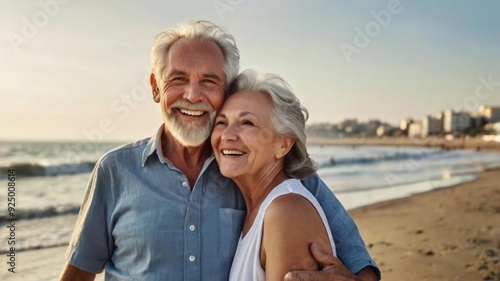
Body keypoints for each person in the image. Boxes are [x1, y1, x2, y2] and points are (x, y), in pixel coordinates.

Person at [59, 20, 380, 281]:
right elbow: (78, 274)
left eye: (209, 82)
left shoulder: (259, 168)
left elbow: (350, 247)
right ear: (156, 88)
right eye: (177, 79)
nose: (193, 95)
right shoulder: (115, 170)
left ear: (227, 90)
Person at [211, 69, 336, 280]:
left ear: (283, 145)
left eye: (247, 123)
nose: (228, 135)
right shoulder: (258, 208)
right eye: (221, 122)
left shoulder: (286, 212)